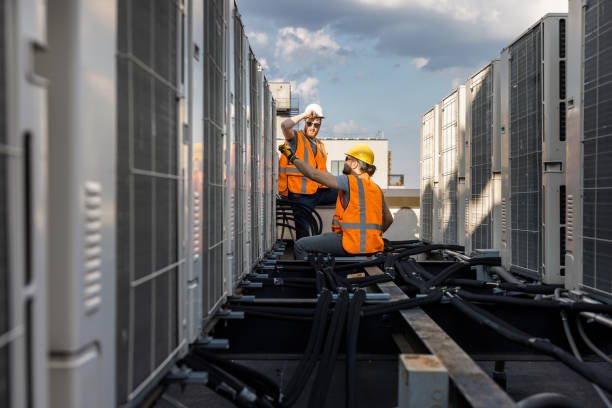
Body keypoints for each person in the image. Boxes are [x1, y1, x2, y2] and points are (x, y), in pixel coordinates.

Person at [279, 143, 393, 260]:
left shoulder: (349, 181)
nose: (345, 162)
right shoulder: (377, 188)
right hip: (372, 245)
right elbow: (389, 219)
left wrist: (291, 157)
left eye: (347, 159)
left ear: (355, 164)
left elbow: (313, 174)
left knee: (300, 245)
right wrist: (370, 237)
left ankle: (312, 272)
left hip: (350, 243)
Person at [278, 103, 338, 240]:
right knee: (303, 234)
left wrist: (341, 182)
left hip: (318, 192)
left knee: (346, 191)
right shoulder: (295, 138)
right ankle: (302, 252)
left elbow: (324, 172)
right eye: (309, 123)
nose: (313, 127)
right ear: (304, 122)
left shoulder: (320, 145)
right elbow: (284, 126)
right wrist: (306, 114)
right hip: (300, 195)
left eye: (316, 125)